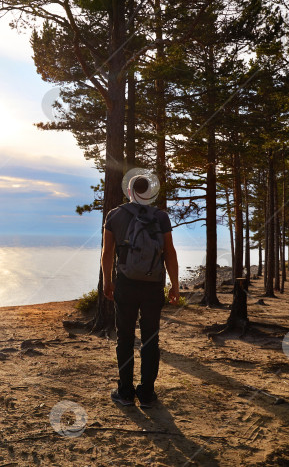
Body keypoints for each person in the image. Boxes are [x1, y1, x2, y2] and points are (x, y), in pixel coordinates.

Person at [101, 174, 180, 408]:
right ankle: (146, 394)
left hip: (125, 283)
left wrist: (107, 281)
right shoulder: (161, 217)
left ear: (129, 191)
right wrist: (174, 285)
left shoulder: (114, 215)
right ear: (150, 193)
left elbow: (107, 252)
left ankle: (125, 392)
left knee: (125, 338)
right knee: (150, 340)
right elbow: (169, 252)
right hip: (153, 285)